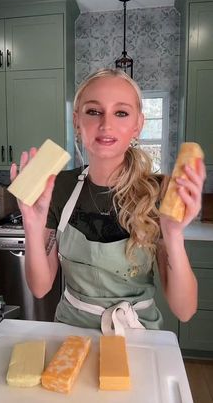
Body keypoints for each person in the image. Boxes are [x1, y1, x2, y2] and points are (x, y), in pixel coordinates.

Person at [10, 68, 206, 334]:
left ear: (138, 124)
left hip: (137, 335)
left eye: (121, 112)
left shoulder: (159, 191)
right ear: (77, 121)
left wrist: (172, 234)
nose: (106, 124)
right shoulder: (57, 187)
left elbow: (185, 309)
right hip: (71, 333)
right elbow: (40, 287)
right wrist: (32, 228)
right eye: (94, 111)